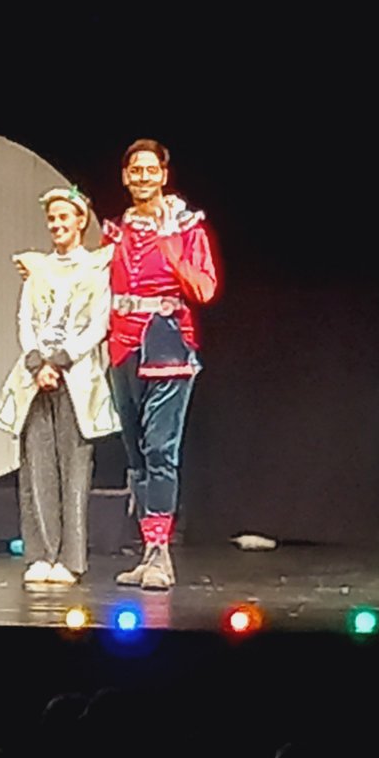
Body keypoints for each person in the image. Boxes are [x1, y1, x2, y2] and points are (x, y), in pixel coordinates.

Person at [102, 139, 217, 590]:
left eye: (151, 170)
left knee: (159, 451)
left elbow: (204, 289)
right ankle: (147, 548)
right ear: (125, 176)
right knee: (135, 455)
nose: (144, 177)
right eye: (136, 170)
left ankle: (160, 554)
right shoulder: (117, 231)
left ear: (164, 176)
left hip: (166, 347)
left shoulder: (187, 228)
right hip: (122, 348)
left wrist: (171, 247)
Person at [0, 187, 118, 585]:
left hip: (75, 377)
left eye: (64, 217)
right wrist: (36, 362)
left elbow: (98, 324)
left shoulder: (96, 268)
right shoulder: (39, 270)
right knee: (36, 468)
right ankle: (41, 554)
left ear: (80, 221)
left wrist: (60, 362)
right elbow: (25, 319)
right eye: (52, 218)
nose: (57, 224)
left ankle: (71, 558)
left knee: (74, 470)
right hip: (35, 378)